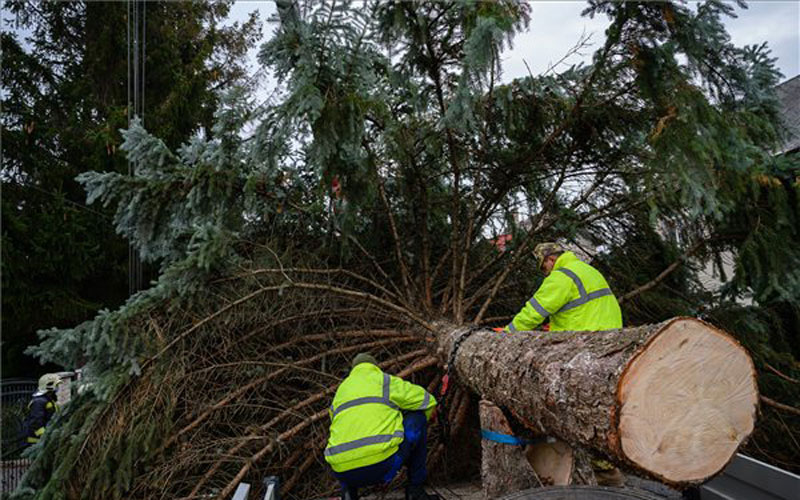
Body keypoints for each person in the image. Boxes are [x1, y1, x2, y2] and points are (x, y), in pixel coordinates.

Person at [325, 353, 439, 500]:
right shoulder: (383, 381)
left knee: (346, 436)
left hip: (343, 474)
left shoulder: (341, 391)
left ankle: (348, 495)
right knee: (418, 417)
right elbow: (426, 400)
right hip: (382, 466)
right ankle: (415, 491)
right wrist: (430, 417)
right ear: (375, 367)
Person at [504, 242, 622, 333]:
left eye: (543, 268)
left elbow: (534, 312)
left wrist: (508, 333)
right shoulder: (588, 269)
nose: (545, 273)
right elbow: (586, 307)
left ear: (551, 259)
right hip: (612, 331)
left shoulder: (562, 276)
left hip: (586, 335)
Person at [21, 373, 61, 446]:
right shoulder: (39, 402)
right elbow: (36, 423)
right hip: (36, 442)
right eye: (56, 385)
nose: (57, 387)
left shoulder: (47, 399)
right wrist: (44, 436)